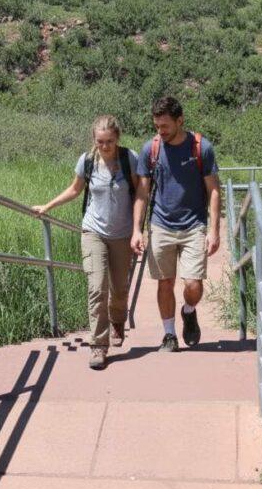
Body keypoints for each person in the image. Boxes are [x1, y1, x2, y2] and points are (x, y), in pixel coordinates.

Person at [33, 116, 139, 370]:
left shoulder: (129, 159)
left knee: (119, 290)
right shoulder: (87, 161)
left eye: (110, 142)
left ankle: (117, 321)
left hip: (123, 234)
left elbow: (140, 193)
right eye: (100, 142)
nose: (105, 147)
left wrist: (139, 229)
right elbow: (74, 189)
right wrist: (47, 206)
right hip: (93, 231)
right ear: (94, 140)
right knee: (96, 287)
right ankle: (98, 346)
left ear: (118, 139)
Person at [131, 97, 221, 352]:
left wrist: (214, 230)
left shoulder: (201, 147)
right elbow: (142, 192)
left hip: (194, 225)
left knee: (193, 284)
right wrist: (137, 229)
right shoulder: (151, 149)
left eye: (166, 126)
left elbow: (214, 190)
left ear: (180, 120)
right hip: (161, 224)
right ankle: (169, 335)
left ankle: (189, 310)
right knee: (165, 282)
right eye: (157, 126)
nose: (161, 131)